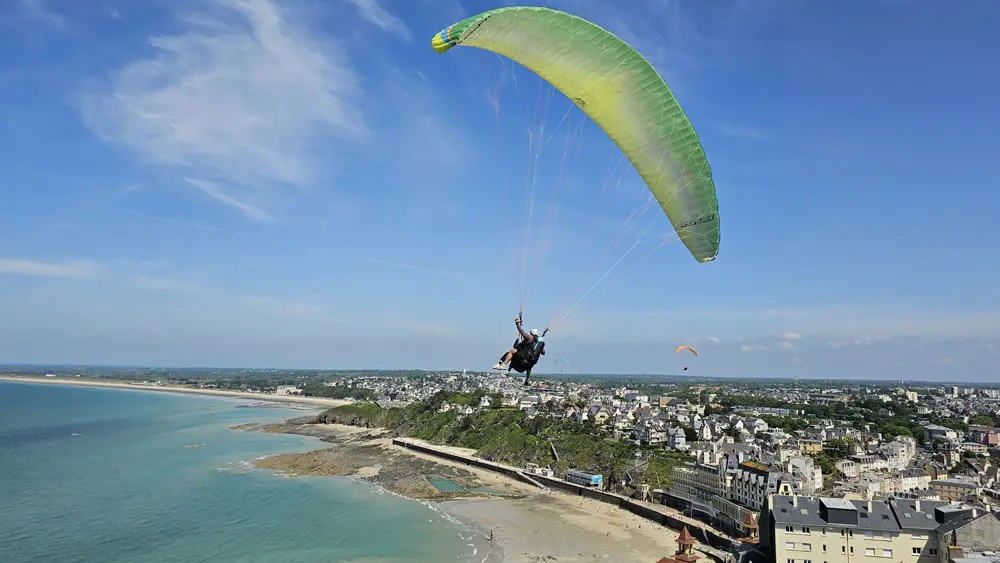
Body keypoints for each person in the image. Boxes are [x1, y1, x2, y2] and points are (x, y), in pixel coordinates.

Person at [492, 316, 546, 385]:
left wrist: (517, 324)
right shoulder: (539, 342)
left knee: (511, 352)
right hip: (530, 363)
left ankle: (504, 364)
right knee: (529, 367)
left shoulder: (530, 337)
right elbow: (543, 352)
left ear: (531, 333)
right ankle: (527, 380)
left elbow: (522, 332)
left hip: (524, 359)